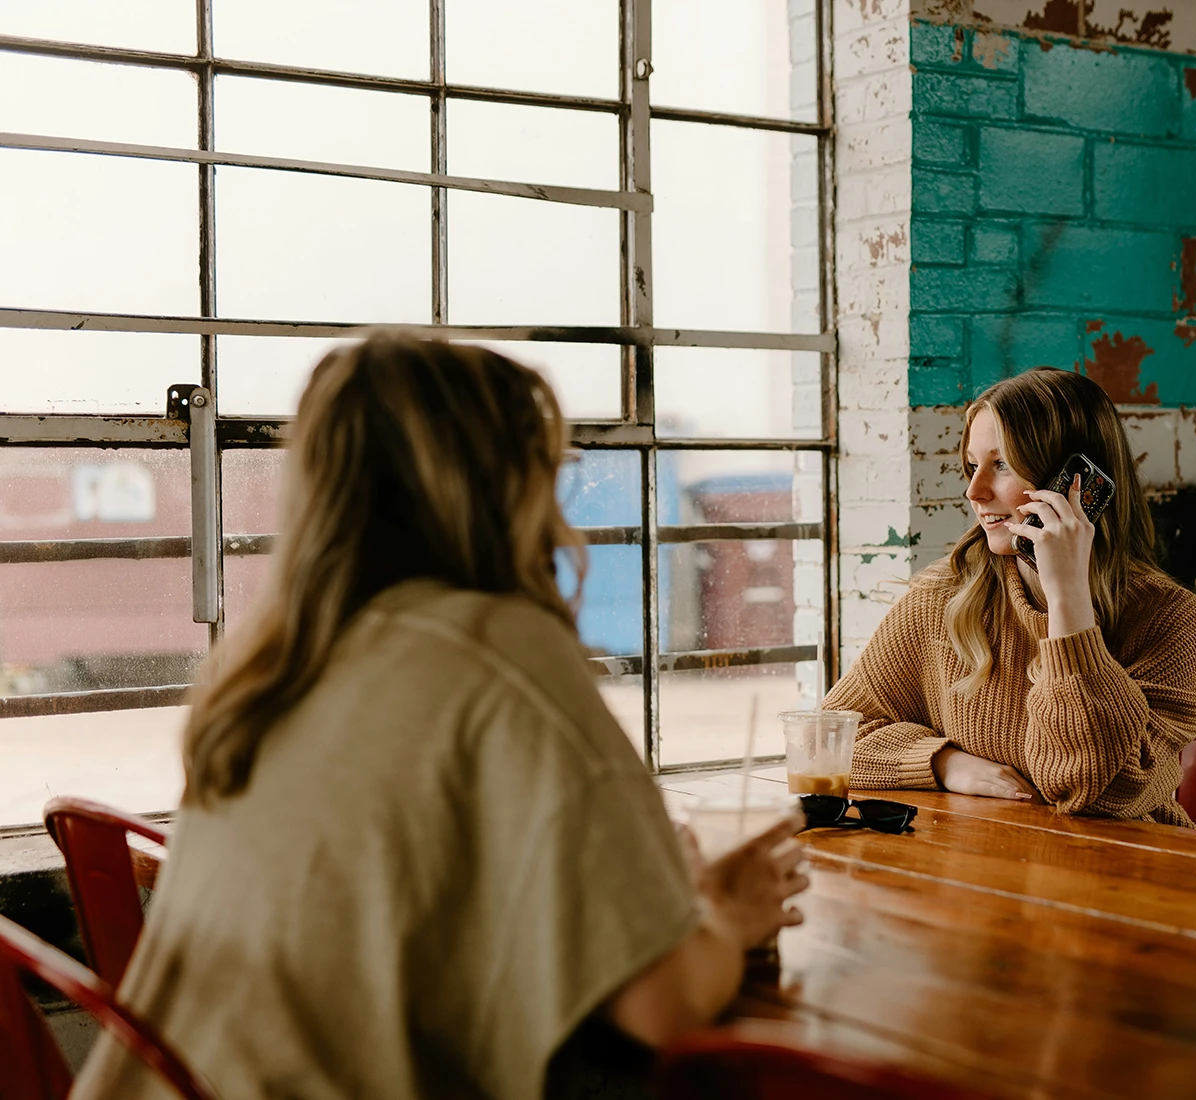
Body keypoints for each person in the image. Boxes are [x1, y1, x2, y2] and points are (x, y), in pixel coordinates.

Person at [73, 336, 808, 1100]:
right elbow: (660, 1006)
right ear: (503, 480)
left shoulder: (270, 668)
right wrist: (724, 914)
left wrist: (632, 895)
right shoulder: (501, 646)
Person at [824, 367, 1196, 823]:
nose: (974, 491)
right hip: (988, 855)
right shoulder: (945, 596)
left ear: (1075, 481)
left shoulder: (1178, 622)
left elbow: (1089, 791)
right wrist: (945, 763)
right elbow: (833, 736)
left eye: (1002, 465)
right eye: (972, 466)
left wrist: (1067, 596)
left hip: (1122, 861)